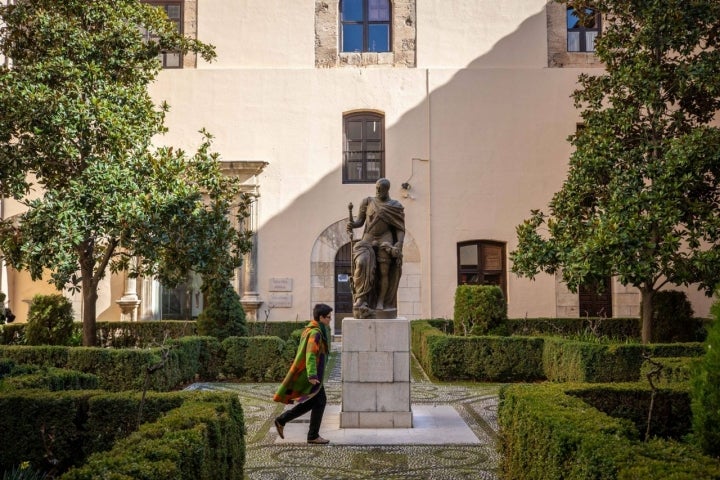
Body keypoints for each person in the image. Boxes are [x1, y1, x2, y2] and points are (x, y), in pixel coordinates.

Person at [272, 303, 332, 444]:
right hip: (312, 375)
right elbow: (310, 355)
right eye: (328, 317)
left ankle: (283, 421)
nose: (330, 320)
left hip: (312, 374)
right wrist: (312, 375)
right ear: (321, 317)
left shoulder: (312, 329)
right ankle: (311, 435)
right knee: (320, 401)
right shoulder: (315, 333)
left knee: (315, 402)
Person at [346, 178, 405, 317]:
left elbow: (400, 228)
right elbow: (360, 222)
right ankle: (361, 299)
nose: (378, 191)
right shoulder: (367, 201)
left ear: (387, 190)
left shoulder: (395, 206)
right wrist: (352, 225)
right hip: (368, 237)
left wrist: (399, 245)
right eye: (377, 188)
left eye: (381, 189)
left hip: (386, 238)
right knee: (361, 262)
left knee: (384, 272)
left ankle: (381, 301)